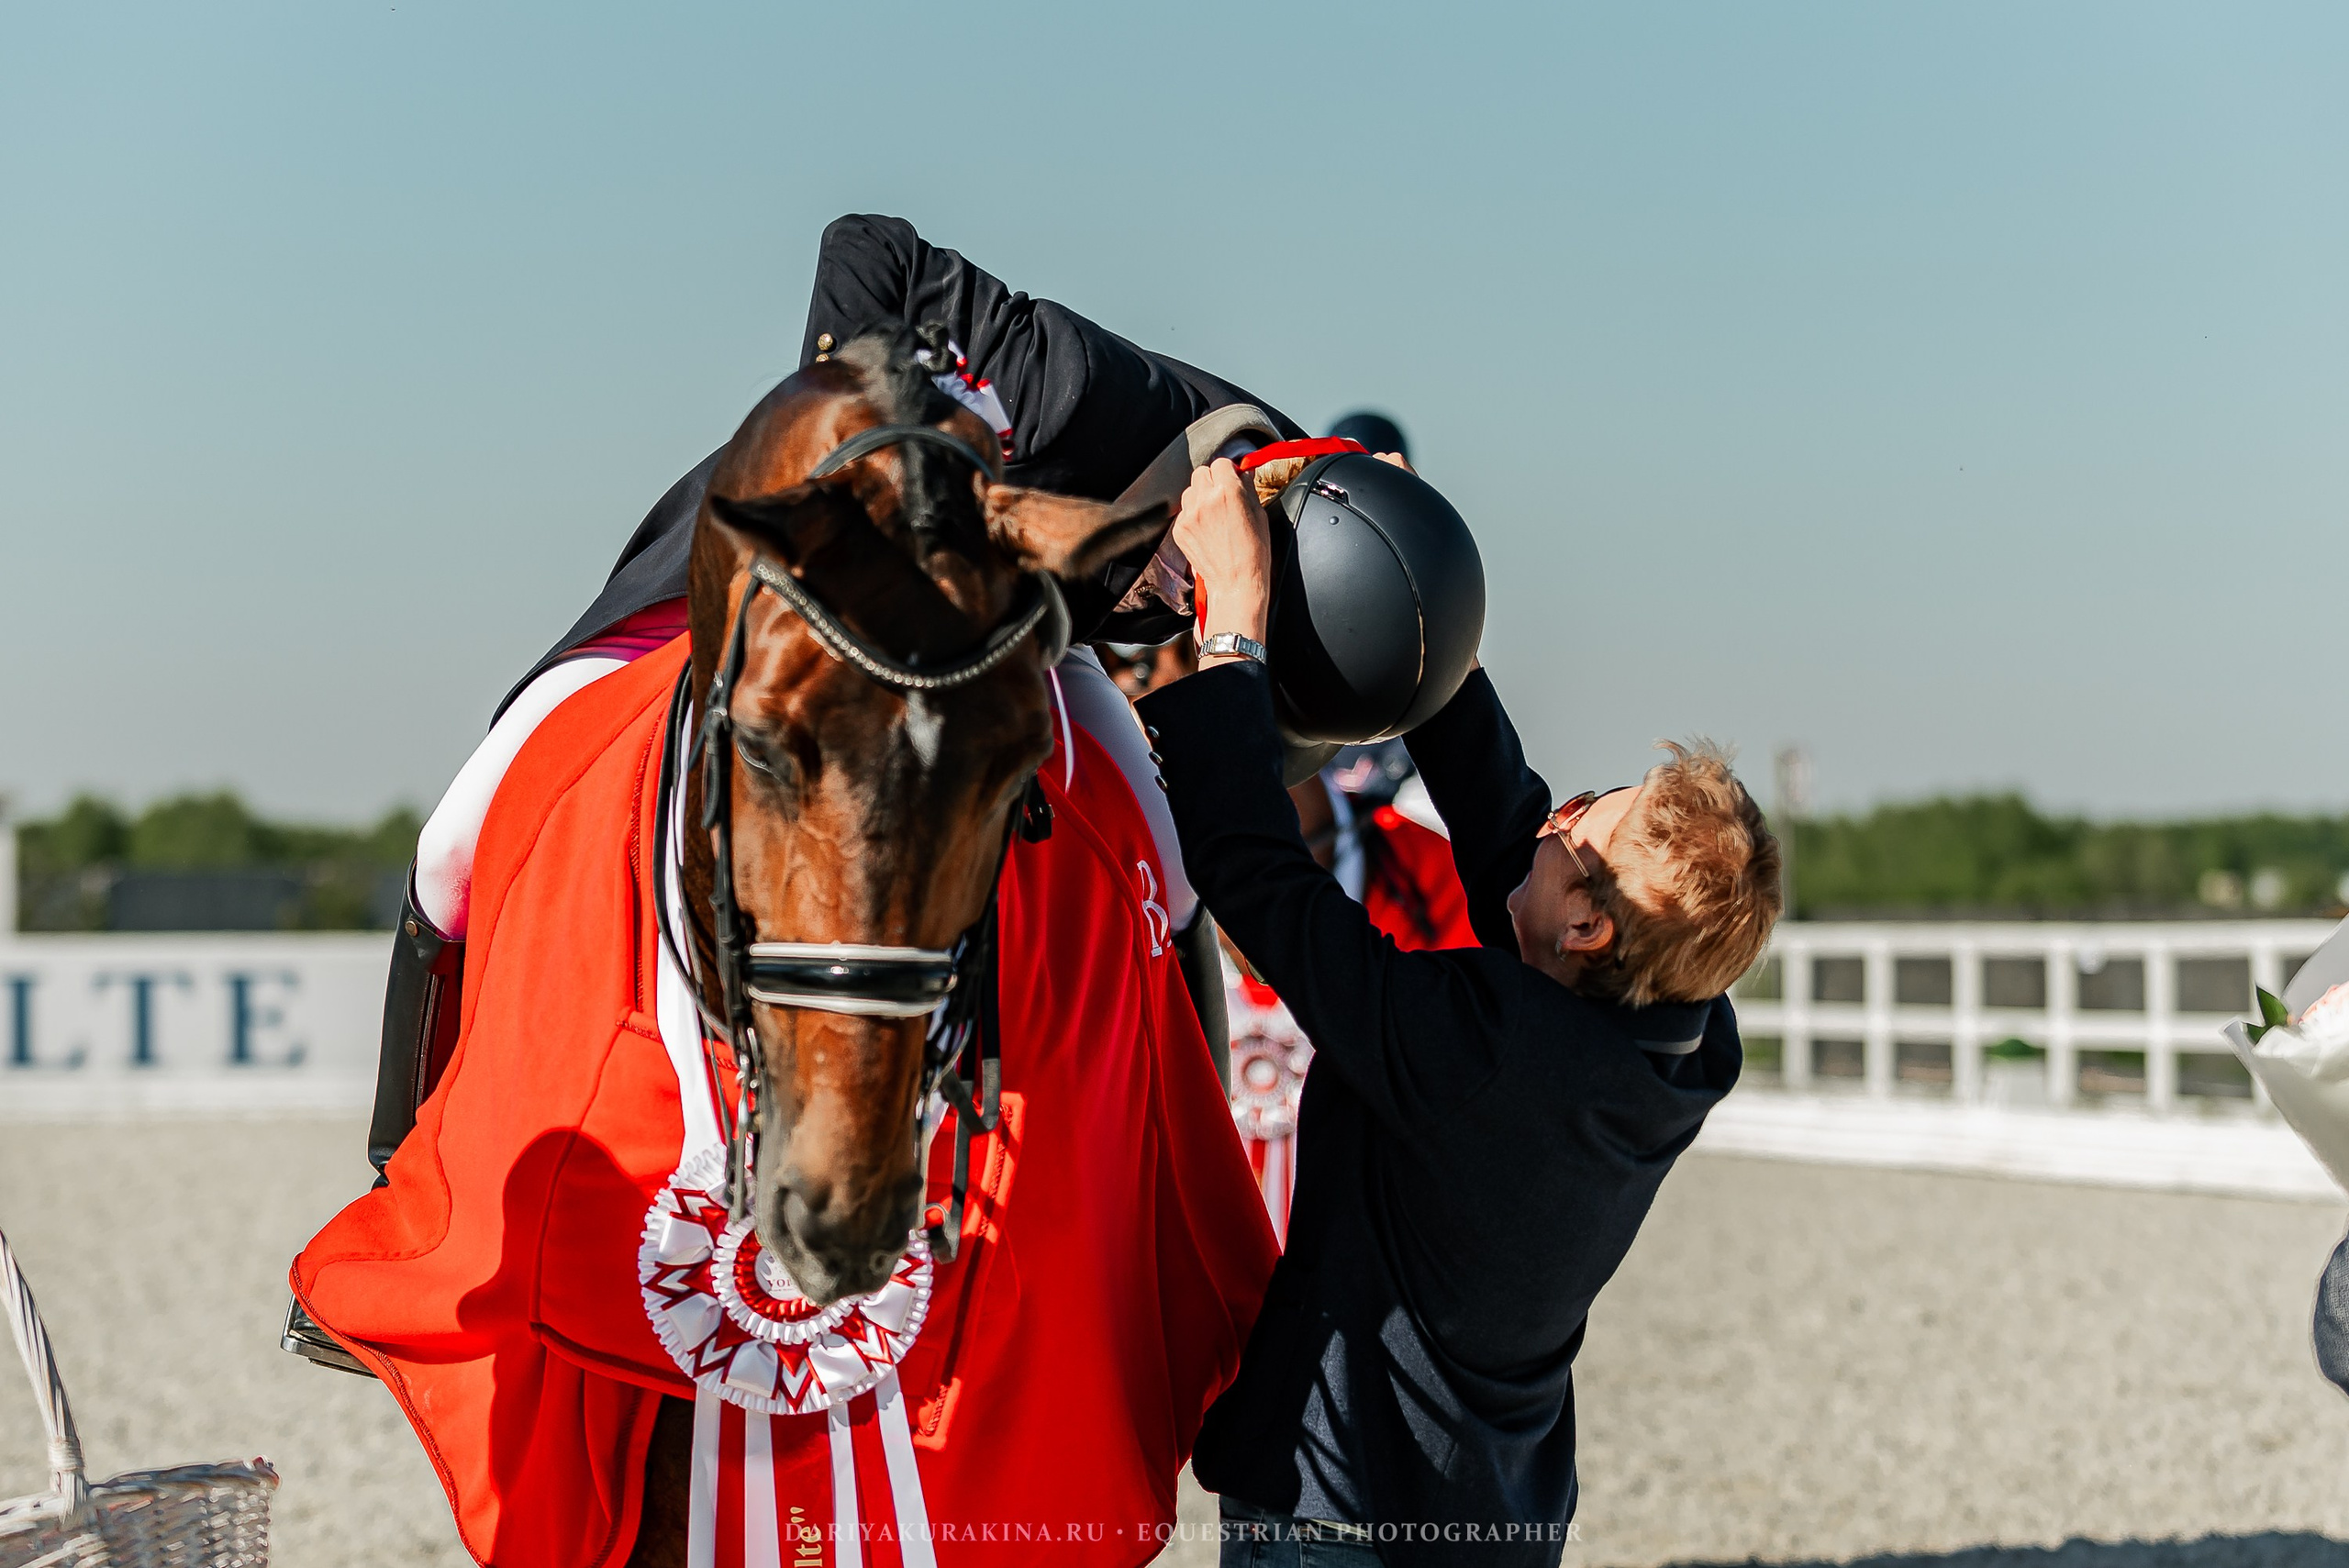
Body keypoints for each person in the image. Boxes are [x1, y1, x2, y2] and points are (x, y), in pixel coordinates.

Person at [371, 215, 1320, 1173]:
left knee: (1171, 860)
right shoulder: (1063, 385)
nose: (1181, 608)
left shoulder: (1218, 539)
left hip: (1010, 629)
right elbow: (864, 244)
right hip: (763, 575)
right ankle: (400, 1171)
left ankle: (1185, 1190)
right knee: (453, 840)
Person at [1136, 459, 1785, 1566]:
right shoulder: (1684, 1040)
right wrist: (1418, 612)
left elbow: (1259, 877)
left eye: (1577, 824)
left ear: (1586, 927)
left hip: (1344, 1512)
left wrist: (1233, 629)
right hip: (1493, 1515)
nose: (1552, 815)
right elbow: (1505, 828)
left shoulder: (1479, 1052)